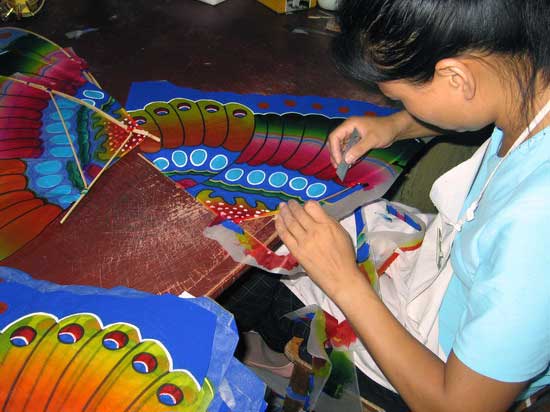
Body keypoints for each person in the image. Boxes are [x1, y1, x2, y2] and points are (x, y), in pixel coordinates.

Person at [223, 1, 550, 411]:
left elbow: (460, 406)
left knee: (260, 261)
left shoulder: (536, 230)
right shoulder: (529, 75)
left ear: (454, 76)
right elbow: (484, 98)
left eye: (400, 98)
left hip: (439, 367)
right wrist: (398, 124)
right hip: (451, 268)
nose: (398, 106)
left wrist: (341, 278)